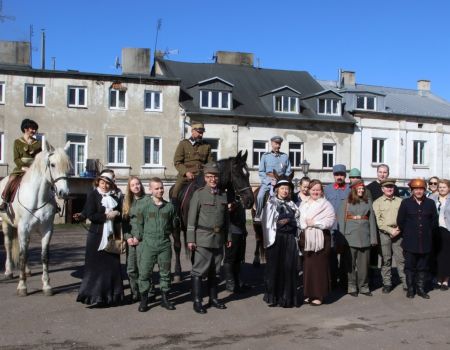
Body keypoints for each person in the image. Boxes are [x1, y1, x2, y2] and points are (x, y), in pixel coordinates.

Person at [186, 163, 232, 314]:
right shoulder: (199, 194)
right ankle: (197, 301)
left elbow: (226, 220)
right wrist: (191, 239)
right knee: (199, 271)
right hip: (203, 238)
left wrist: (228, 236)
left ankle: (214, 299)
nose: (213, 179)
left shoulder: (222, 195)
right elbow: (191, 219)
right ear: (205, 178)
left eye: (215, 176)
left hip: (218, 239)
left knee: (215, 271)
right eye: (210, 176)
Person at [76, 172, 124, 307]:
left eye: (107, 183)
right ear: (98, 182)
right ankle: (94, 296)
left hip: (112, 235)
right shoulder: (93, 195)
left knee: (112, 267)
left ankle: (112, 297)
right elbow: (91, 215)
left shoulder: (115, 196)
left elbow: (120, 212)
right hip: (96, 236)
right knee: (95, 267)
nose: (105, 185)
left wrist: (118, 213)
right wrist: (107, 216)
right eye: (102, 182)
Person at [135, 177, 178, 312]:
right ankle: (144, 300)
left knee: (165, 272)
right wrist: (140, 239)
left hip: (164, 244)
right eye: (157, 188)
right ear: (150, 190)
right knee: (144, 273)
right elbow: (139, 224)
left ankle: (165, 299)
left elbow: (173, 225)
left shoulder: (170, 207)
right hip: (148, 244)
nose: (160, 190)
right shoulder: (144, 206)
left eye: (161, 188)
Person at [262, 175, 300, 307]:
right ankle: (273, 297)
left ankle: (286, 298)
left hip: (289, 239)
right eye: (282, 188)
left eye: (287, 189)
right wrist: (280, 223)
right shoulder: (271, 204)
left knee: (289, 268)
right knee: (274, 268)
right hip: (276, 239)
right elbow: (267, 223)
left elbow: (297, 221)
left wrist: (289, 221)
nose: (285, 191)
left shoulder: (292, 205)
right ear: (277, 189)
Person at [397, 178, 438, 299]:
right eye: (416, 189)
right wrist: (409, 233)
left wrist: (428, 233)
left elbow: (434, 221)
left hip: (425, 241)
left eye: (421, 189)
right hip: (410, 241)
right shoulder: (405, 203)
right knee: (409, 266)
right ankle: (410, 289)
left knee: (423, 266)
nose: (418, 191)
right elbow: (400, 221)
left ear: (424, 190)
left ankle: (420, 289)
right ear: (412, 190)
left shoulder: (430, 203)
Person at [299, 180, 336, 306]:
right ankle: (309, 293)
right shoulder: (304, 204)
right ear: (309, 190)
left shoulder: (326, 205)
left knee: (319, 267)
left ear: (321, 191)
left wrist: (314, 223)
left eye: (318, 190)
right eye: (313, 189)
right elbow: (300, 219)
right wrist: (306, 223)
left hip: (322, 240)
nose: (315, 192)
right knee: (308, 267)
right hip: (307, 239)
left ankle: (319, 295)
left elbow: (330, 221)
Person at [338, 180, 377, 297]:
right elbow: (341, 220)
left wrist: (373, 238)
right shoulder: (346, 202)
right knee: (350, 265)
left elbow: (372, 221)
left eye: (362, 189)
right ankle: (351, 286)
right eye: (359, 189)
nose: (361, 191)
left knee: (364, 265)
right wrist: (341, 239)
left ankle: (364, 287)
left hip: (365, 237)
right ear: (353, 190)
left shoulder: (368, 202)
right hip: (350, 237)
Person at [366, 164, 399, 287]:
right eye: (380, 172)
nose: (382, 174)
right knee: (373, 254)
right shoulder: (370, 188)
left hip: (391, 229)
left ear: (388, 173)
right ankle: (372, 280)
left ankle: (388, 279)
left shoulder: (393, 188)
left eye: (385, 172)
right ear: (377, 173)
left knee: (388, 255)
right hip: (375, 226)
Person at [372, 179, 407, 293]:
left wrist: (398, 229)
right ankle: (387, 283)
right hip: (384, 234)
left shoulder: (400, 201)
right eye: (387, 187)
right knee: (386, 259)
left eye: (391, 186)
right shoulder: (377, 202)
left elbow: (404, 218)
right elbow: (378, 221)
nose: (389, 188)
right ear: (382, 189)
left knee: (401, 259)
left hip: (398, 232)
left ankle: (405, 282)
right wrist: (390, 231)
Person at [0, 118, 42, 212]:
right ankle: (5, 202)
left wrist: (33, 168)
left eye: (35, 129)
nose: (34, 131)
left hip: (35, 168)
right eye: (33, 128)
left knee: (46, 180)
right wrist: (24, 167)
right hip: (20, 168)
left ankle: (54, 204)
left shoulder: (38, 143)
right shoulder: (17, 142)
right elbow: (16, 158)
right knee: (11, 179)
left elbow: (40, 158)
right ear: (25, 129)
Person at [324, 164, 350, 289]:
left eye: (341, 175)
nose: (339, 177)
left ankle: (344, 281)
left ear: (345, 176)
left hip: (346, 227)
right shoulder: (327, 189)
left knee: (345, 256)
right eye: (337, 175)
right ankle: (332, 281)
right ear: (334, 175)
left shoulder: (350, 190)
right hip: (331, 228)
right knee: (332, 256)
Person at [171, 121, 212, 201]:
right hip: (185, 176)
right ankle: (174, 209)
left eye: (202, 133)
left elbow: (210, 163)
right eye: (199, 132)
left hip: (201, 175)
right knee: (175, 191)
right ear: (192, 131)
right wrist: (186, 172)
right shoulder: (184, 144)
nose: (201, 135)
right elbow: (177, 162)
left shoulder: (207, 146)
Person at [121, 176, 146, 303]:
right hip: (131, 241)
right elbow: (124, 224)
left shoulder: (147, 201)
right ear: (129, 188)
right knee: (131, 269)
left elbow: (149, 223)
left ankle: (146, 293)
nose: (136, 186)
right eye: (133, 185)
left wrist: (139, 236)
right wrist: (128, 237)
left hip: (143, 240)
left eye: (138, 184)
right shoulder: (126, 202)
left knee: (144, 268)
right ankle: (134, 292)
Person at [255, 136, 292, 221]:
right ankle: (258, 214)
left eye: (279, 144)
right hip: (268, 181)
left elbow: (289, 170)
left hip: (281, 181)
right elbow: (261, 171)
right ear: (271, 143)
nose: (278, 146)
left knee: (291, 196)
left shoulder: (285, 157)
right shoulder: (265, 156)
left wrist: (284, 181)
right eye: (276, 143)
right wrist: (268, 181)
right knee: (260, 196)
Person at [223, 192, 248, 293]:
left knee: (239, 257)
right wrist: (229, 208)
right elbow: (226, 213)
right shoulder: (227, 197)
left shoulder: (240, 197)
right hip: (232, 231)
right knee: (230, 257)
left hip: (241, 231)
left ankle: (238, 281)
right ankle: (230, 282)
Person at [433, 179, 450, 290]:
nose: (442, 189)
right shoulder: (432, 198)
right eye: (440, 187)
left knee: (446, 255)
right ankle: (438, 278)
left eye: (444, 187)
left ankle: (446, 280)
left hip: (447, 230)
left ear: (449, 188)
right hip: (434, 230)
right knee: (436, 255)